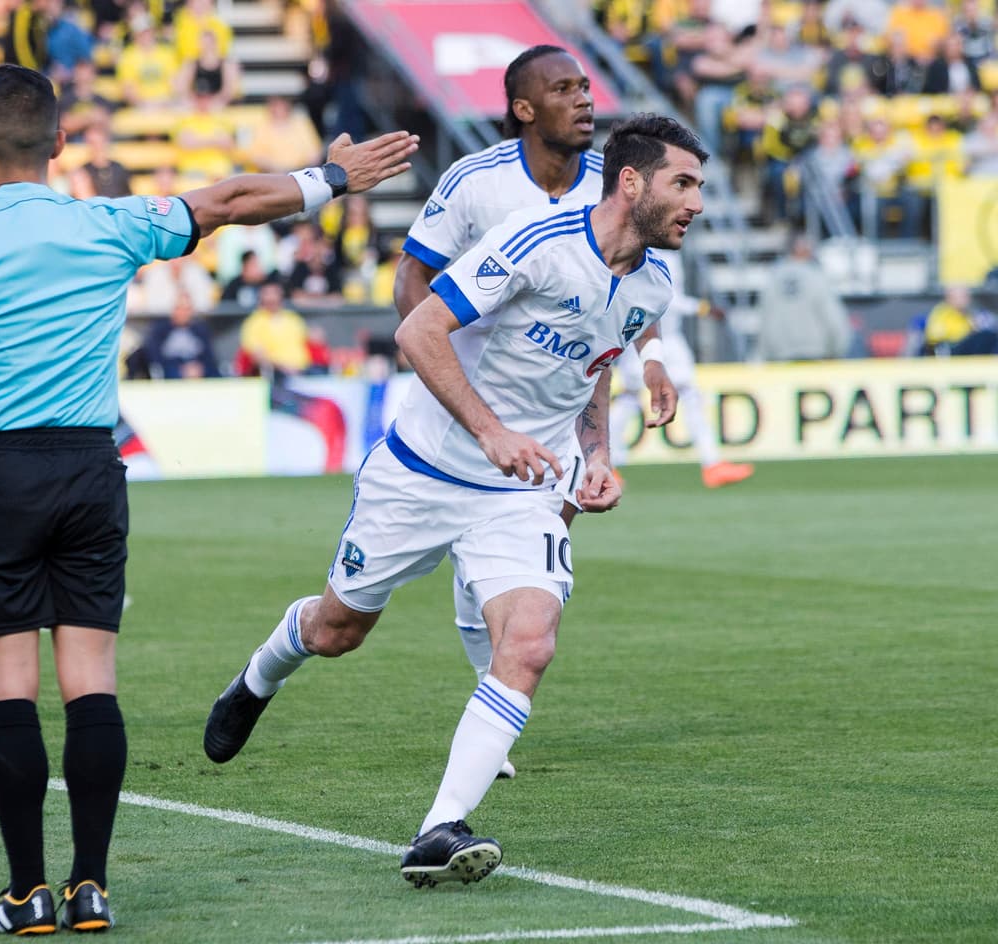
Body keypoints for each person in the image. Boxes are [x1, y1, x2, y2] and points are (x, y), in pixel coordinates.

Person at [0, 64, 416, 934]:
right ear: (60, 144)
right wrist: (329, 178)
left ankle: (26, 898)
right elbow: (230, 200)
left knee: (9, 692)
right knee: (91, 681)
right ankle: (90, 887)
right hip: (91, 467)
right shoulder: (111, 222)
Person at [203, 113, 707, 887]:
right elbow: (420, 330)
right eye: (684, 183)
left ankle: (439, 827)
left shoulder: (655, 281)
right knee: (339, 630)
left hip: (524, 490)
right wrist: (491, 430)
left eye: (698, 186)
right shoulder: (536, 241)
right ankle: (260, 675)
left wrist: (596, 456)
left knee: (531, 641)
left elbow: (597, 363)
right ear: (631, 181)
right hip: (426, 471)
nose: (696, 203)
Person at [392, 45, 675, 778]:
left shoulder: (614, 188)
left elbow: (629, 296)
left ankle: (491, 708)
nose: (585, 98)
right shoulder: (476, 183)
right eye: (565, 88)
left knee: (542, 535)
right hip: (469, 401)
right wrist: (445, 386)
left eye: (587, 85)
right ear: (523, 108)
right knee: (346, 620)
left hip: (559, 404)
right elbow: (415, 275)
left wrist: (651, 360)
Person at [610, 249, 754, 489]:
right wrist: (703, 309)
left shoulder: (666, 255)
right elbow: (666, 298)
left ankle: (712, 464)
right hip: (644, 337)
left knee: (680, 395)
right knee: (630, 398)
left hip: (670, 338)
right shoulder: (648, 253)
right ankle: (608, 464)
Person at [757, 232, 852, 361]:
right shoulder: (816, 276)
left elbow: (764, 320)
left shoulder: (772, 278)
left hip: (780, 358)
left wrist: (764, 355)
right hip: (815, 355)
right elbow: (833, 318)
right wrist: (837, 350)